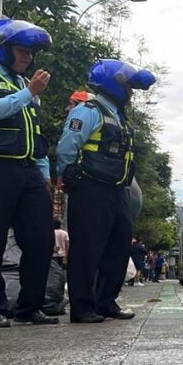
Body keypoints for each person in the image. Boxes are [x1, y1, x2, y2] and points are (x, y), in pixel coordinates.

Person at [58, 59, 156, 323]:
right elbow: (68, 146)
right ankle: (82, 307)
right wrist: (68, 176)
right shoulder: (89, 111)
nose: (132, 93)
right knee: (87, 249)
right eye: (129, 88)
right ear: (115, 85)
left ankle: (106, 301)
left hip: (117, 191)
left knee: (118, 246)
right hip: (91, 188)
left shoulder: (117, 115)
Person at [0, 19, 58, 327]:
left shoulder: (24, 84)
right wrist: (28, 92)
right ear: (3, 49)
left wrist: (44, 172)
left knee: (40, 239)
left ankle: (29, 305)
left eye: (31, 53)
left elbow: (35, 130)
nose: (27, 58)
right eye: (21, 51)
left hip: (29, 168)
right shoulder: (13, 82)